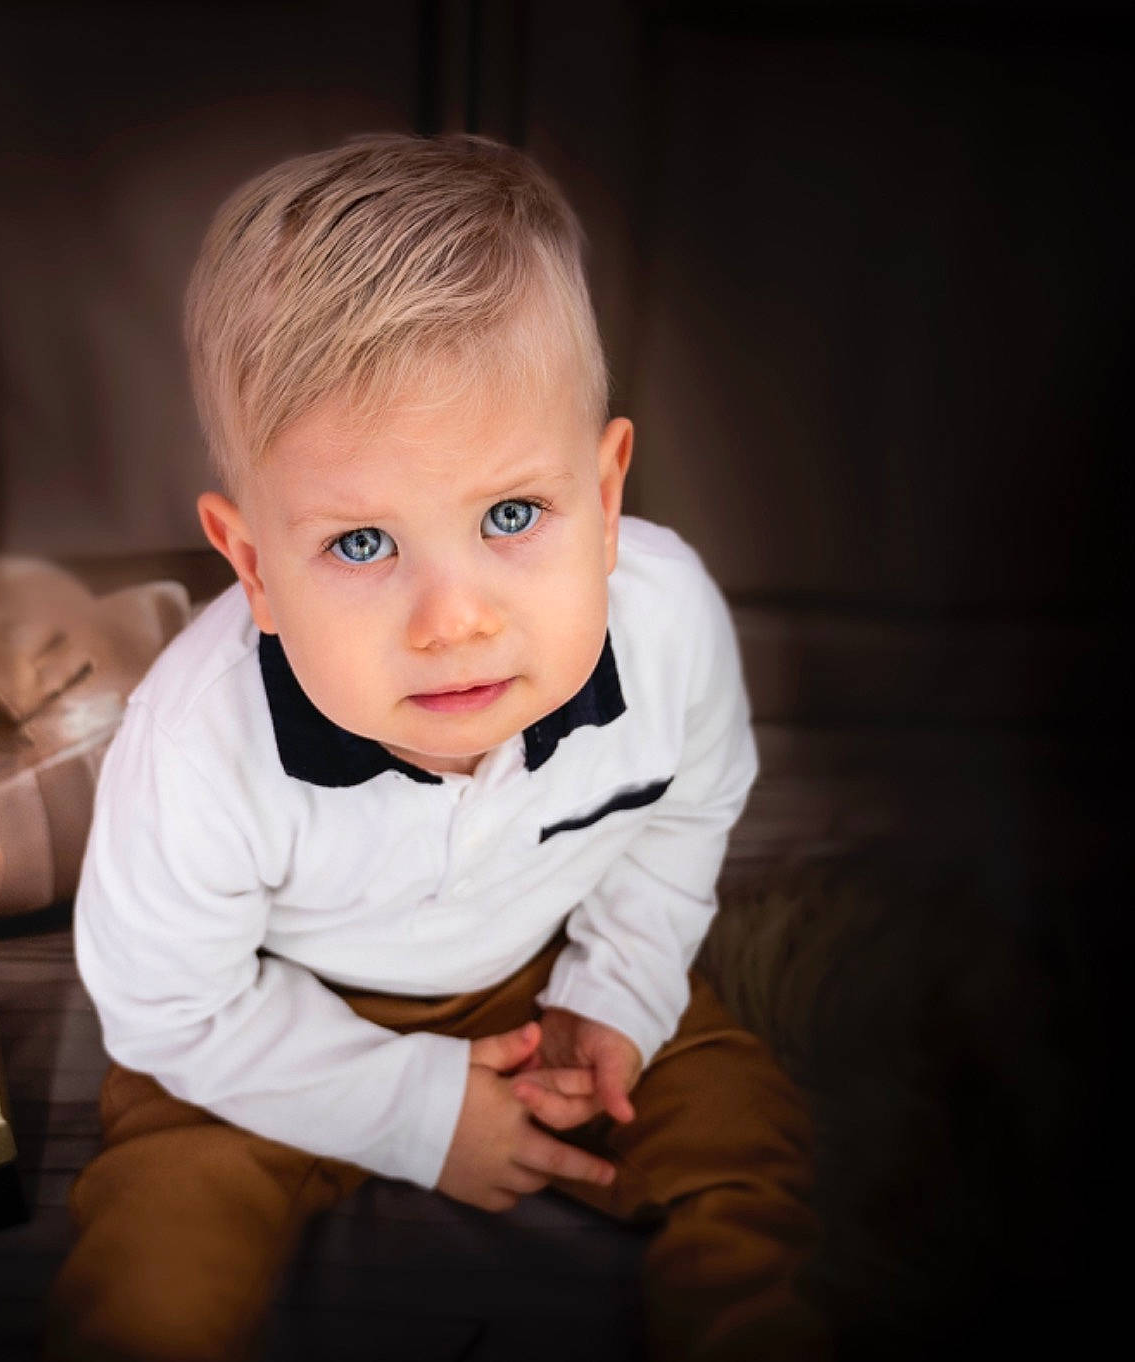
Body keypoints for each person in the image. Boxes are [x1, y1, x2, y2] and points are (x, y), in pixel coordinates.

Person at [45, 132, 824, 1361]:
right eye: (360, 544)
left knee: (744, 1141)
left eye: (510, 516)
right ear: (250, 564)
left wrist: (614, 994)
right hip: (270, 1023)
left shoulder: (667, 624)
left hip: (544, 972)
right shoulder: (199, 743)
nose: (451, 620)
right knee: (159, 1245)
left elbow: (682, 819)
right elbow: (168, 1011)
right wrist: (413, 1110)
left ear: (606, 497)